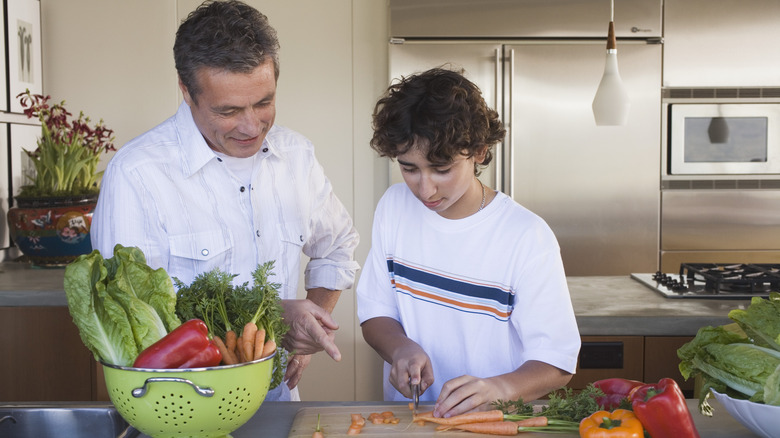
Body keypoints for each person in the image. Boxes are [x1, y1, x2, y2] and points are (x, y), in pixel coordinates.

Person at [90, 0, 360, 401]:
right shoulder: (137, 174)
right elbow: (130, 313)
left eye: (264, 102)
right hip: (178, 404)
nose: (252, 126)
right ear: (186, 91)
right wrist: (272, 316)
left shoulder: (297, 157)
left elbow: (337, 249)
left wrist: (309, 323)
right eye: (229, 110)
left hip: (275, 400)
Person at [356, 67, 581, 418]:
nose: (425, 189)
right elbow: (376, 312)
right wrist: (400, 349)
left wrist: (499, 388)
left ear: (478, 151)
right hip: (410, 420)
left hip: (493, 423)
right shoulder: (394, 208)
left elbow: (557, 361)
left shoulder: (526, 236)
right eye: (409, 168)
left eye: (441, 168)